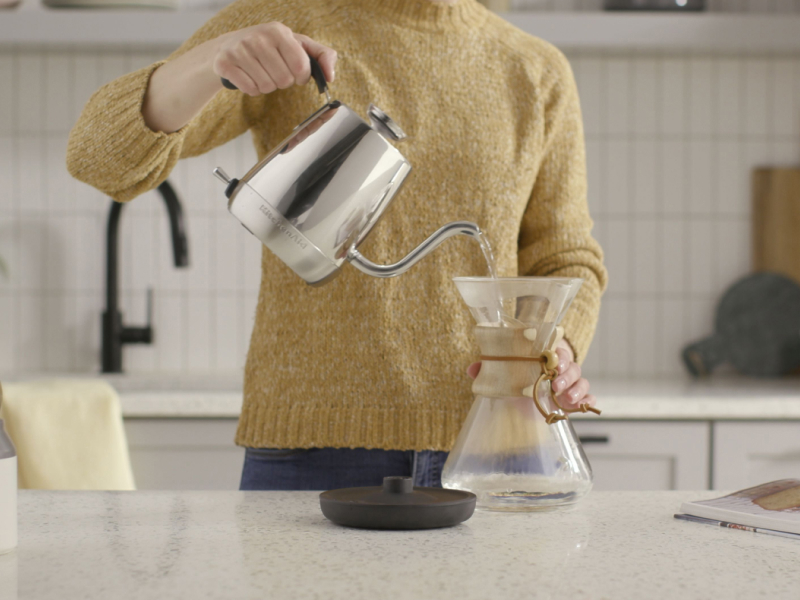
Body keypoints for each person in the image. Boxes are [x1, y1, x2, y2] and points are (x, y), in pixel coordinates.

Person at [67, 0, 608, 490]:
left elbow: (565, 257)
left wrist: (556, 348)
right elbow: (97, 159)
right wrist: (209, 59)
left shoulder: (536, 70)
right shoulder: (292, 25)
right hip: (313, 449)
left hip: (494, 443)